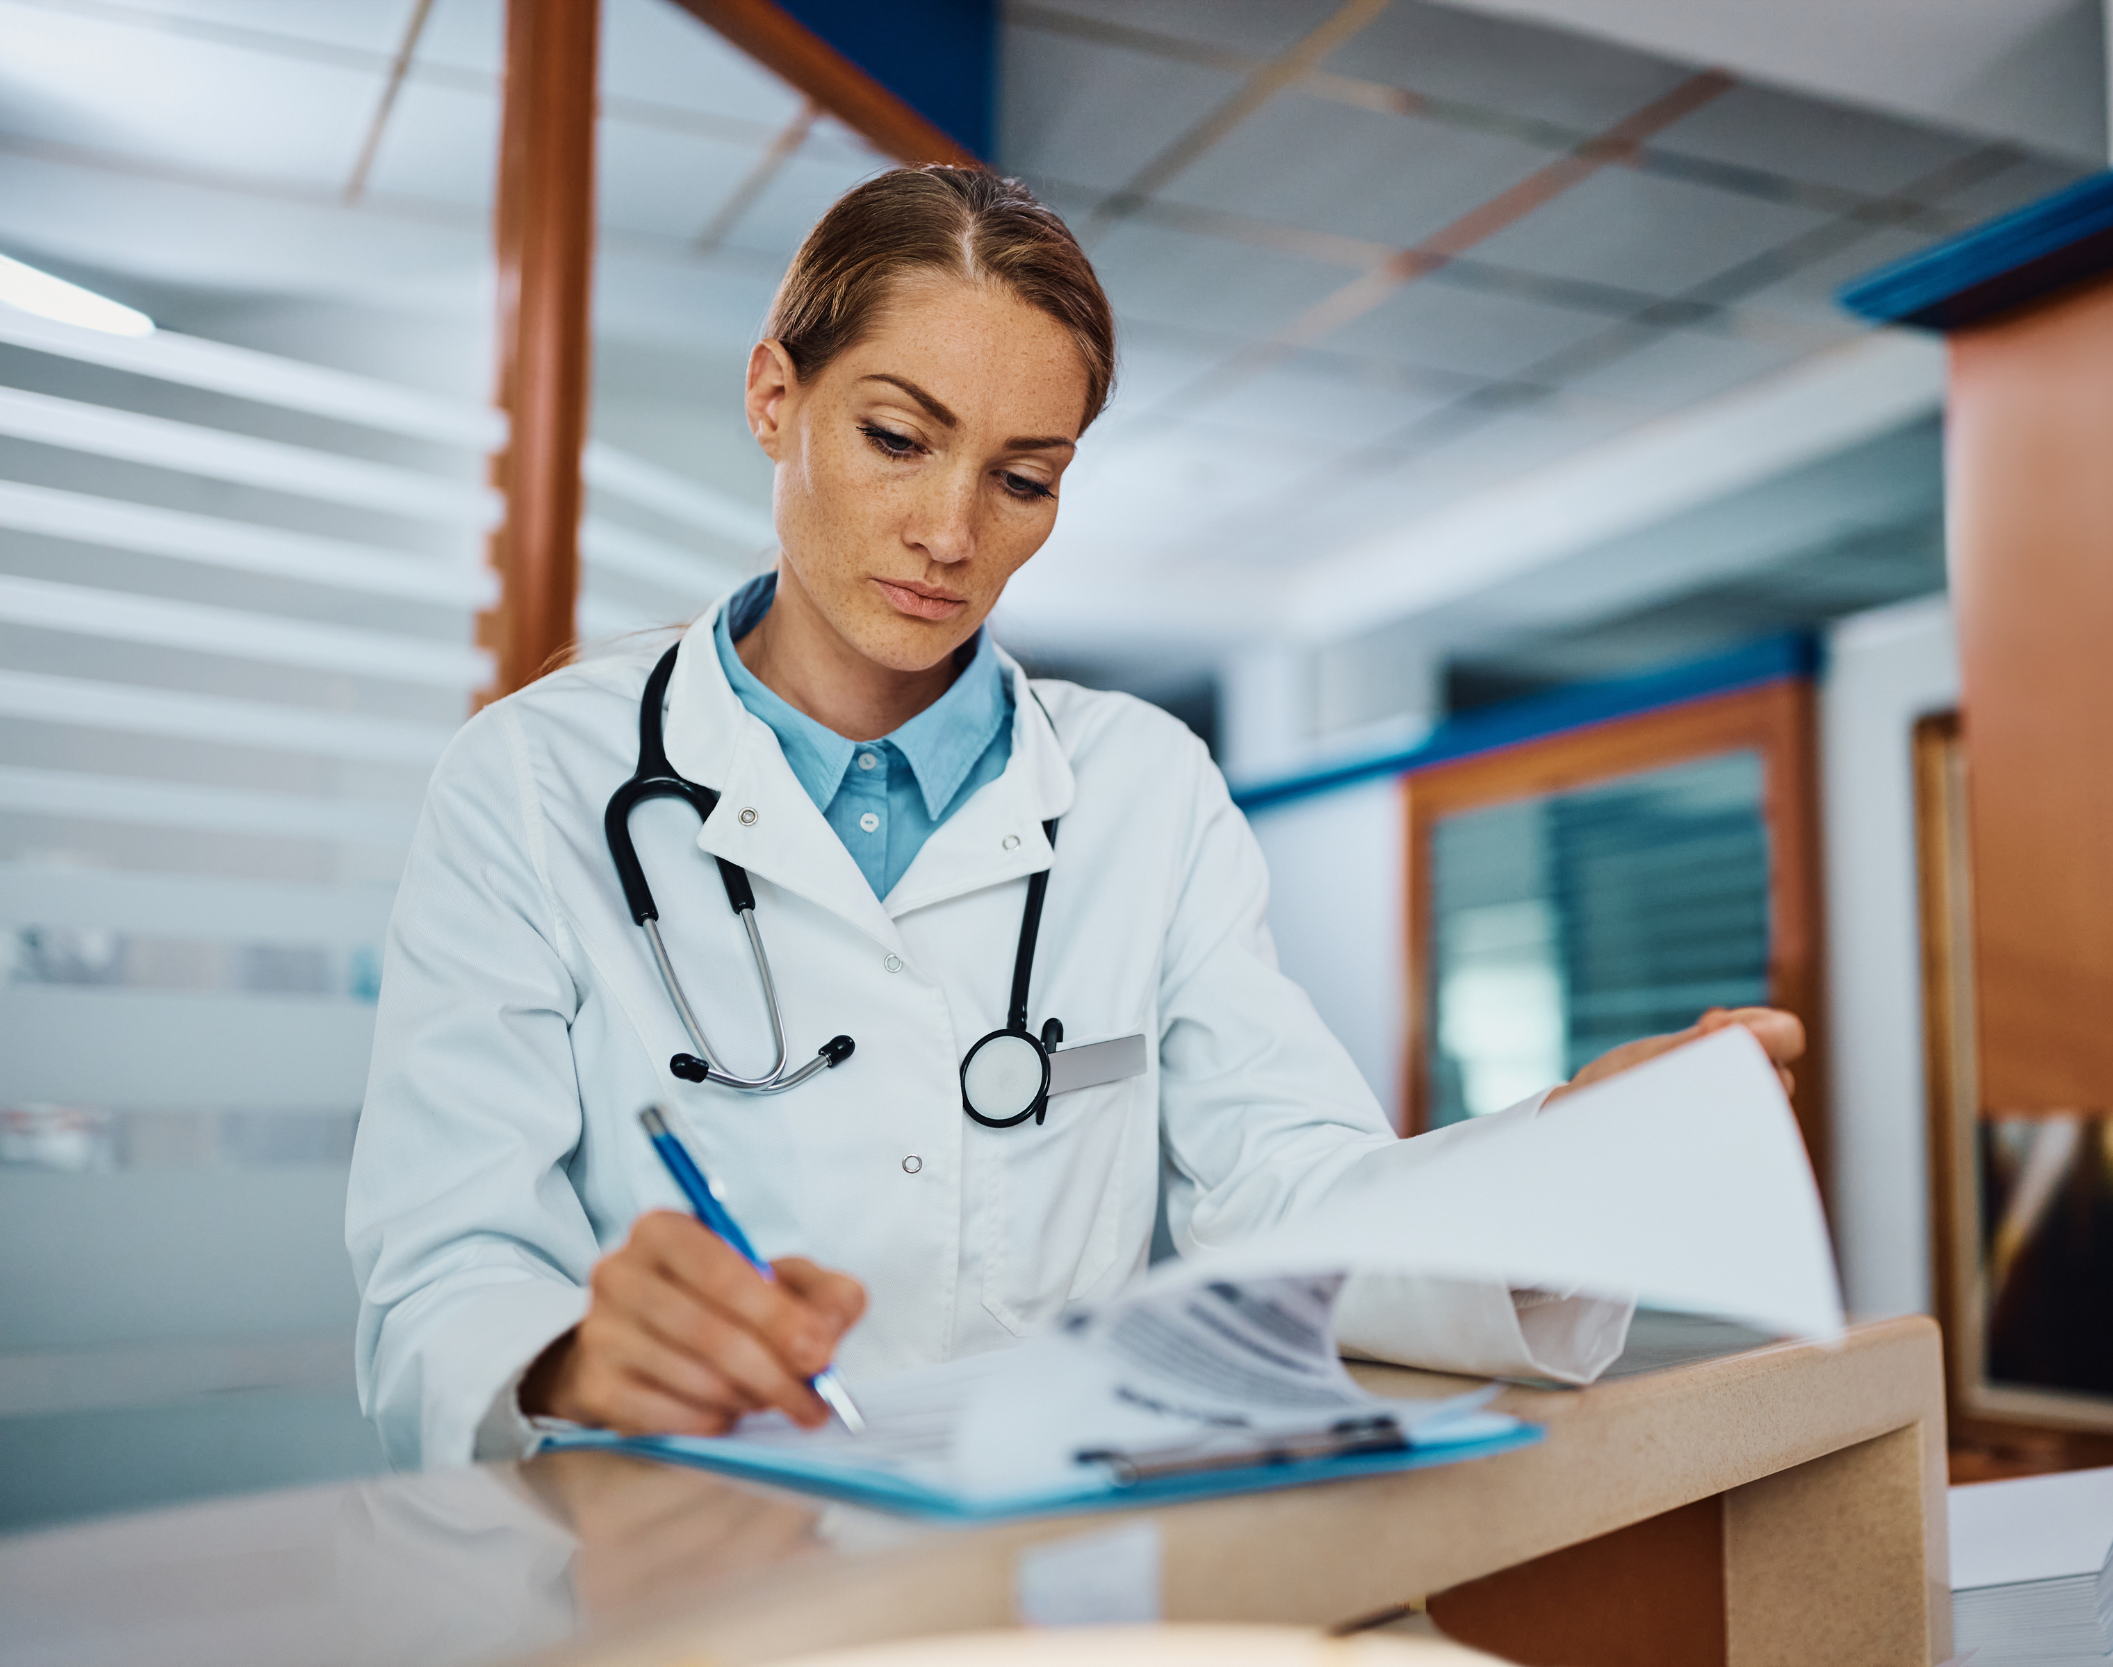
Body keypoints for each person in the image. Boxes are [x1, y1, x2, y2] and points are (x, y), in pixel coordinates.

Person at [346, 166, 1806, 1469]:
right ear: (773, 399)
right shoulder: (532, 782)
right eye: (898, 437)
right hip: (683, 1576)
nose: (952, 532)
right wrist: (575, 1350)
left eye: (1023, 477)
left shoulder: (1146, 789)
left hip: (1046, 1565)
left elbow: (1293, 1191)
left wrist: (1567, 1166)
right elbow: (443, 1266)